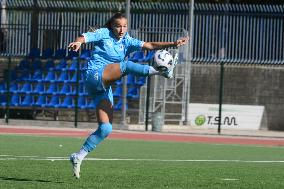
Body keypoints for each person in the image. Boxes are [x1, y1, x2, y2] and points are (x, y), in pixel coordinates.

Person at [68, 12, 189, 179]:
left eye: (124, 26)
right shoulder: (104, 33)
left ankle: (78, 156)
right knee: (126, 66)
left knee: (106, 128)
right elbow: (85, 37)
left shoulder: (127, 41)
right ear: (112, 25)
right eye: (118, 26)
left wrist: (173, 43)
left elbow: (150, 45)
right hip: (94, 75)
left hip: (102, 88)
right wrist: (78, 42)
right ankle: (160, 72)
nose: (121, 29)